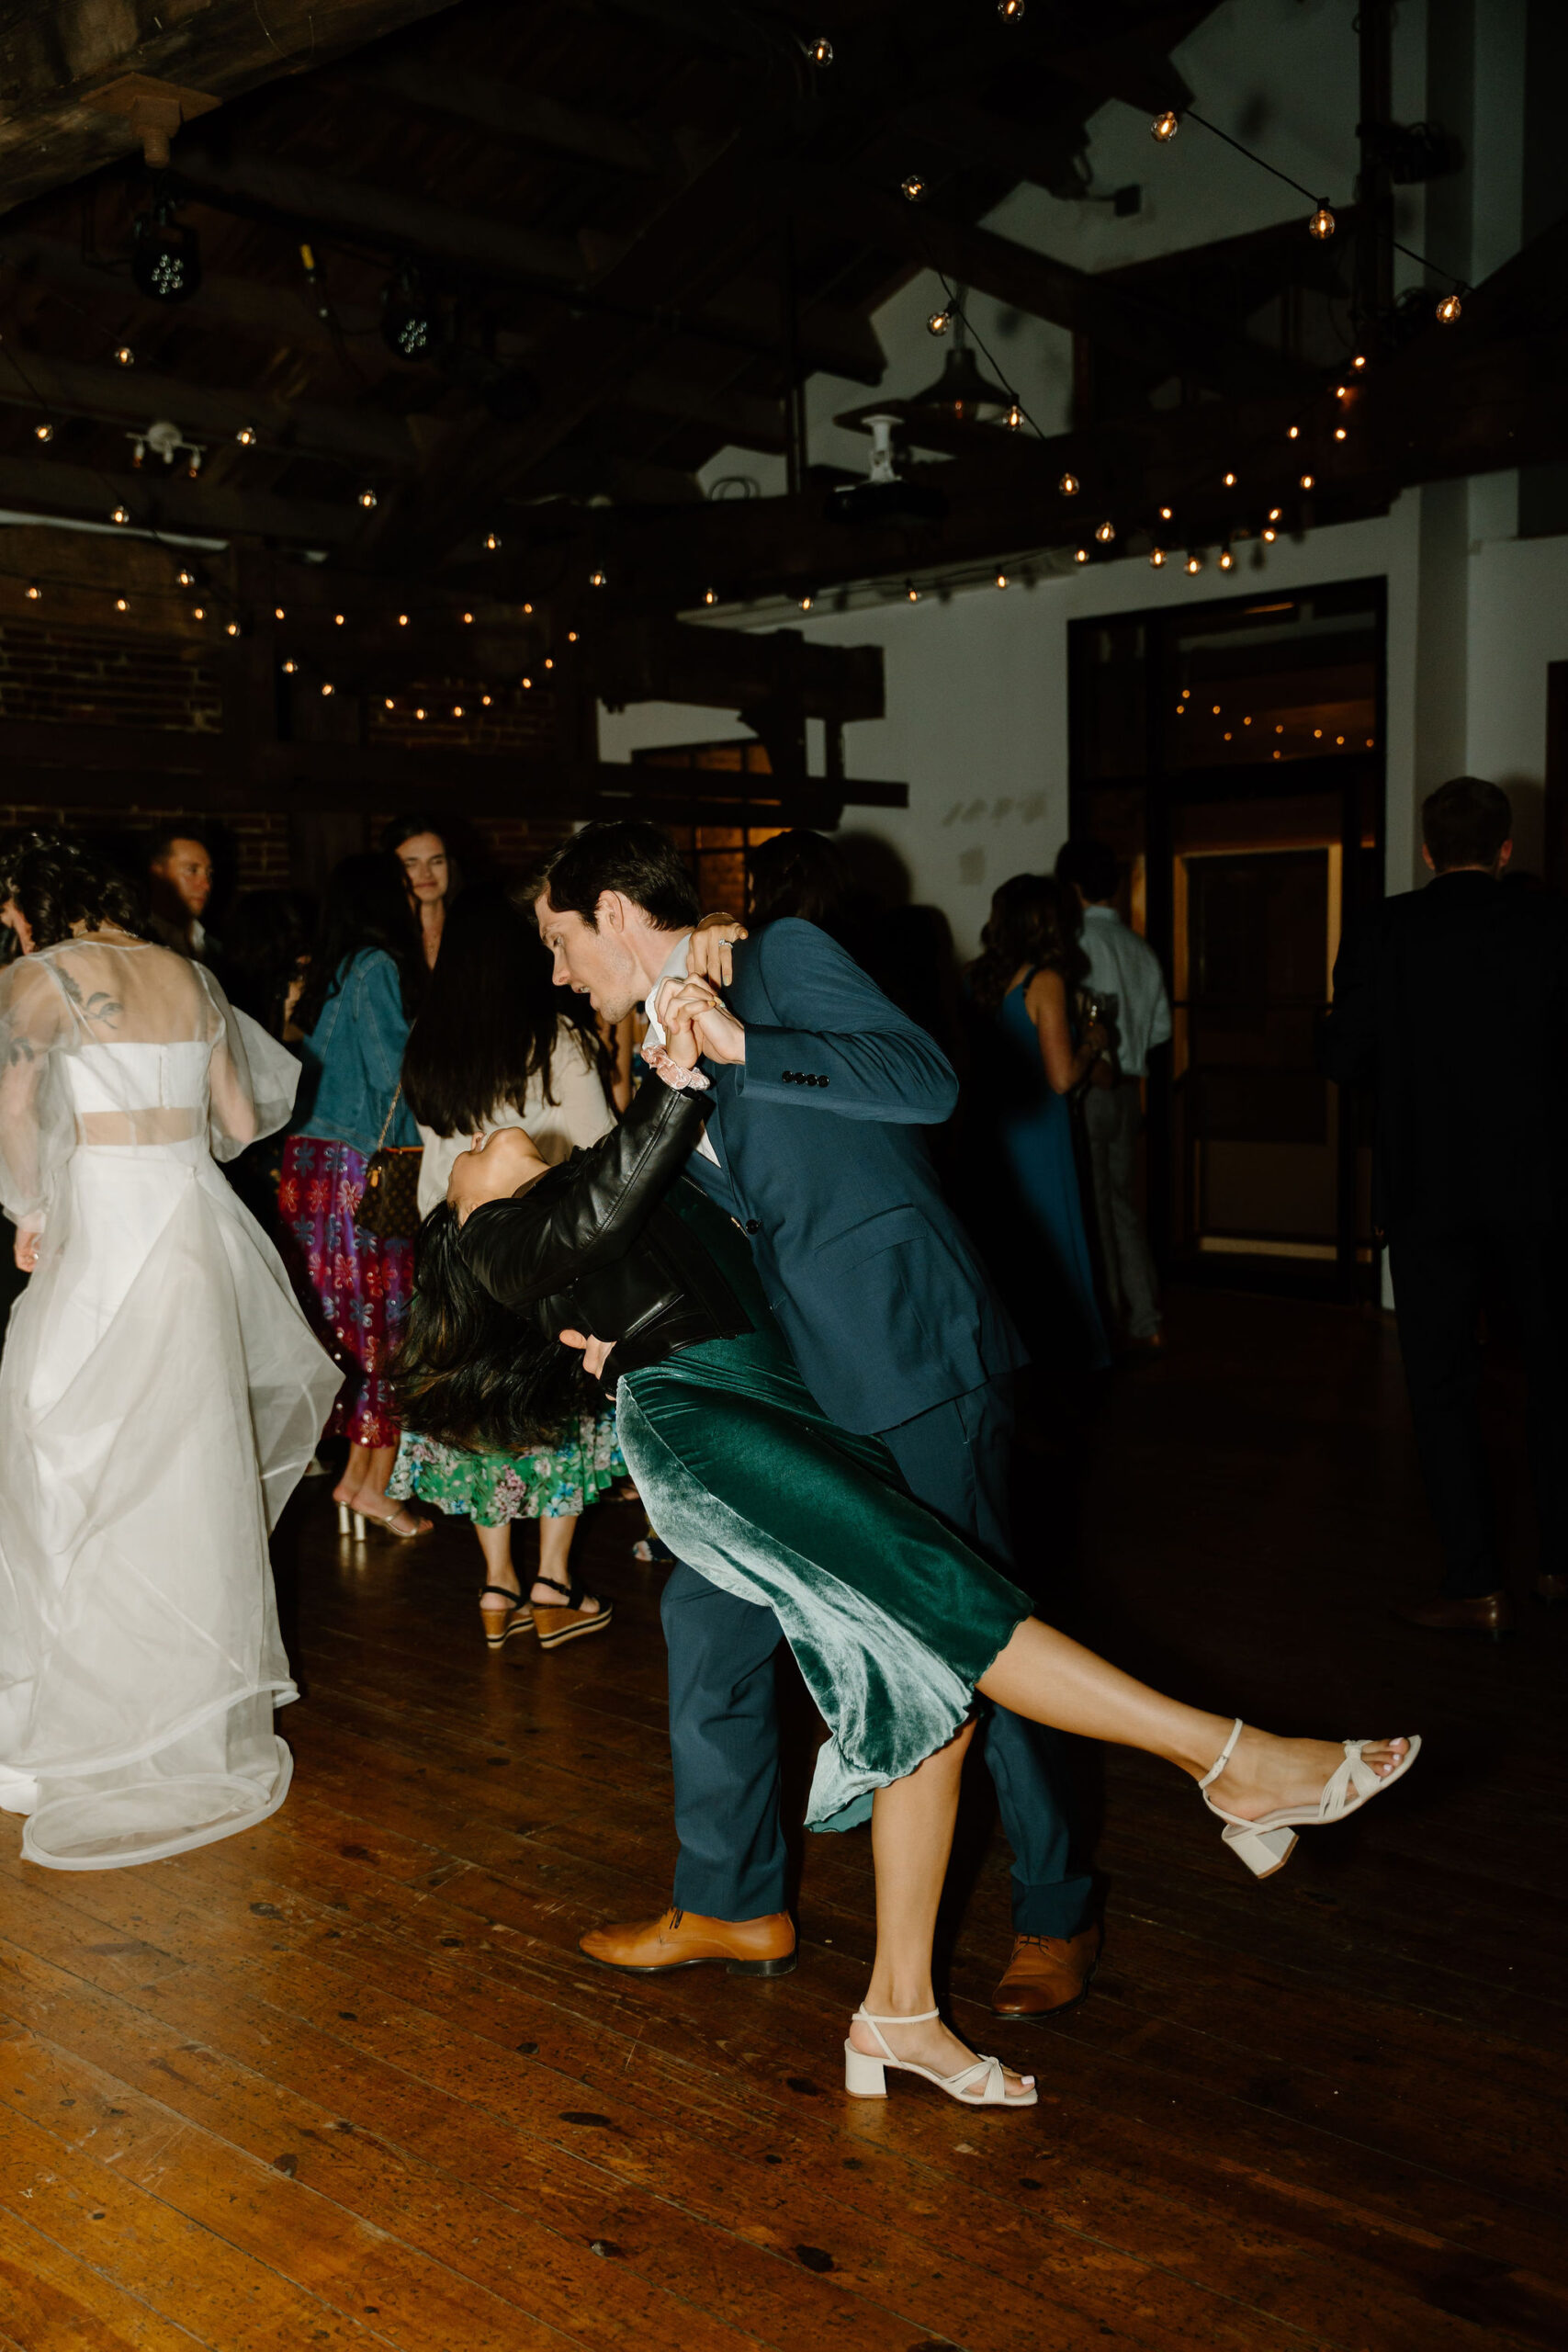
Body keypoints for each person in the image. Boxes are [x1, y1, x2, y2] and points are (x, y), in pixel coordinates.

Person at [402, 1015, 1418, 2109]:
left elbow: (657, 1220)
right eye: (452, 1165)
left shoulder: (579, 1209)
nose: (471, 1144)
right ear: (460, 1233)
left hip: (767, 1410)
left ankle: (897, 2011)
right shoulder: (504, 1245)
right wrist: (677, 1074)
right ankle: (1233, 1761)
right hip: (713, 1430)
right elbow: (599, 1210)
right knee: (949, 1603)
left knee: (928, 1693)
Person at [533, 820, 1102, 2027]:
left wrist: (746, 1037)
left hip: (906, 1354)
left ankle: (1054, 1906)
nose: (556, 971)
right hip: (778, 1383)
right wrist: (618, 1327)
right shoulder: (651, 1047)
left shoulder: (777, 960)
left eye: (560, 939)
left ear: (616, 915)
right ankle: (732, 1901)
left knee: (971, 1634)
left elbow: (926, 1083)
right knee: (706, 1608)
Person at [0, 833, 340, 1869]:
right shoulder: (193, 978)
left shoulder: (40, 978)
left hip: (100, 1235)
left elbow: (12, 1107)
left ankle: (71, 1724)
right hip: (189, 1235)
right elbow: (240, 1120)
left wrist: (28, 1205)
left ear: (40, 905)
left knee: (58, 1450)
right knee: (188, 1476)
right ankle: (186, 1727)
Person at [1322, 775, 1568, 1634]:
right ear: (1505, 849)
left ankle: (1475, 1584)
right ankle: (1557, 1568)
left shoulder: (1386, 926)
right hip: (1542, 1191)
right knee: (1552, 1376)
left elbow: (1341, 1057)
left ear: (1427, 850)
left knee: (1441, 1385)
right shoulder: (1549, 925)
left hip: (1427, 1189)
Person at [386, 886, 620, 1649]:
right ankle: (552, 1580)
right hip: (535, 1248)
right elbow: (598, 1146)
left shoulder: (429, 1041)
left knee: (482, 1411)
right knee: (552, 1406)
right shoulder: (552, 1039)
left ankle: (497, 1584)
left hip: (449, 1245)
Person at [280, 853, 428, 1542]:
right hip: (362, 1168)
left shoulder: (330, 970)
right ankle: (369, 1485)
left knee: (339, 1323)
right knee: (387, 1326)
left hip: (311, 1164)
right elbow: (394, 1072)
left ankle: (353, 1477)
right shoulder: (377, 967)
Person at [965, 874, 1110, 1372]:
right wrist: (1093, 1038)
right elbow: (1063, 1077)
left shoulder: (976, 978)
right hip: (1042, 1136)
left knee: (1013, 1249)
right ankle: (1069, 1362)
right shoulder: (1044, 981)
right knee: (1054, 1244)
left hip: (999, 1132)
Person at [1056, 838, 1172, 1351]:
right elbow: (1163, 1031)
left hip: (1092, 1089)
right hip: (1130, 1094)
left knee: (1095, 1209)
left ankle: (1106, 1325)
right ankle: (1147, 1320)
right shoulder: (1140, 947)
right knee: (1125, 1208)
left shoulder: (1076, 943)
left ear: (1073, 886)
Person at [382, 813, 458, 971]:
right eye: (411, 864)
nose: (426, 873)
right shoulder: (382, 938)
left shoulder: (472, 930)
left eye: (436, 861)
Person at [145, 825, 215, 959]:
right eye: (192, 870)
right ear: (157, 874)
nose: (206, 886)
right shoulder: (136, 943)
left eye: (209, 874)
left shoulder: (216, 949)